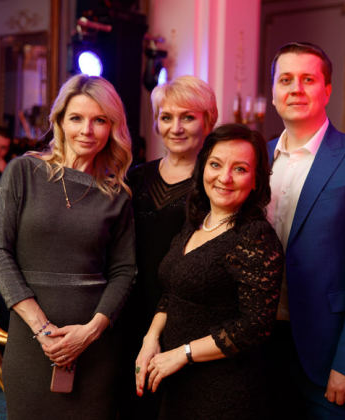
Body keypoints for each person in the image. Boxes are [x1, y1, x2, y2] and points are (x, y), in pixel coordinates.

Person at [0, 74, 136, 420]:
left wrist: (91, 332)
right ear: (60, 121)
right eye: (76, 118)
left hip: (95, 351)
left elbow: (124, 270)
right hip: (31, 344)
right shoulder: (22, 171)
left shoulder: (117, 195)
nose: (87, 130)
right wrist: (42, 329)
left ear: (112, 128)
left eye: (100, 120)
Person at [265, 42, 345, 419]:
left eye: (308, 79)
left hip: (330, 353)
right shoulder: (255, 158)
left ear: (327, 90)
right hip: (261, 350)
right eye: (285, 80)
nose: (296, 89)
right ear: (273, 93)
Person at [135, 123, 284, 420]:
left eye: (239, 169)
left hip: (224, 389)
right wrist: (150, 337)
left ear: (256, 180)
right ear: (203, 168)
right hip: (176, 379)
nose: (224, 178)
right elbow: (173, 290)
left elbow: (255, 327)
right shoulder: (196, 222)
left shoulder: (255, 236)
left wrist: (183, 353)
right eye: (216, 164)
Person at [119, 75, 218, 420]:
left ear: (208, 121)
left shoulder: (215, 184)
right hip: (130, 313)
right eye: (166, 117)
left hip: (188, 318)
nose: (176, 128)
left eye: (188, 117)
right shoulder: (134, 177)